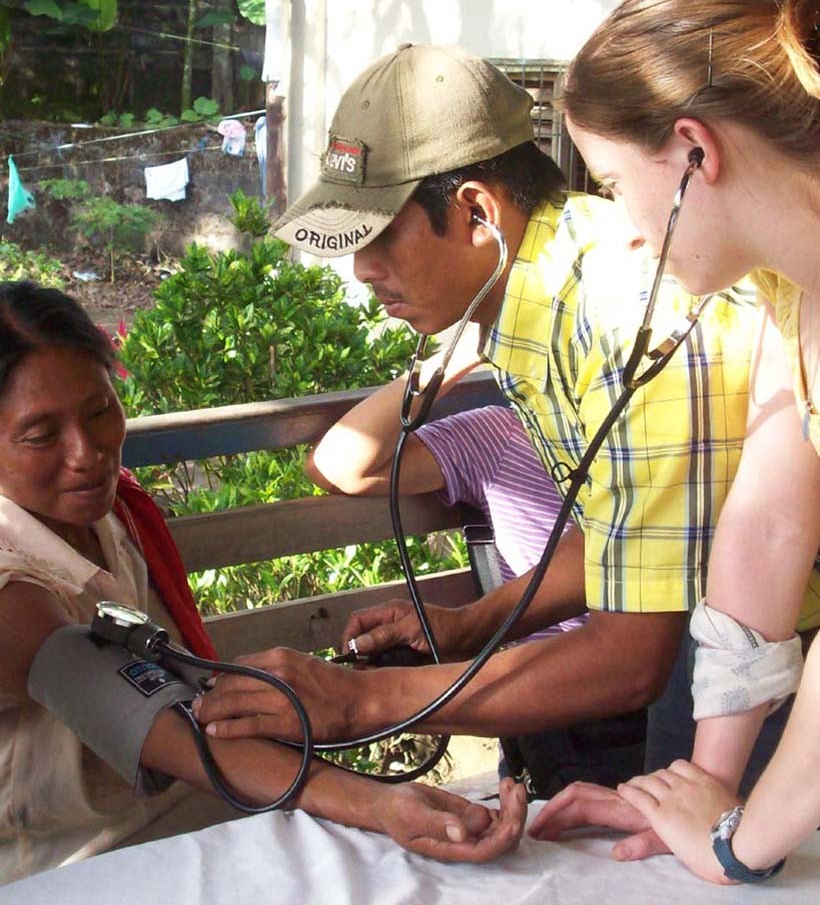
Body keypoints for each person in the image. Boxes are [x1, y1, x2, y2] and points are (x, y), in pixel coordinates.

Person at [193, 43, 764, 793]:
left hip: (761, 654)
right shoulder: (536, 308)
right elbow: (630, 531)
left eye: (379, 235)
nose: (362, 271)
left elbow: (632, 656)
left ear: (475, 211)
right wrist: (477, 623)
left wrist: (360, 702)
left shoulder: (618, 309)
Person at [0, 279, 526, 886]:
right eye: (41, 436)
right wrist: (376, 802)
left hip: (216, 821)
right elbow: (151, 718)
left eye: (99, 411)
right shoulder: (13, 586)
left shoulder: (112, 517)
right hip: (87, 867)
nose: (87, 453)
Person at [526, 0, 820, 884]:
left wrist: (740, 841)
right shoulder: (789, 288)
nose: (624, 229)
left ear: (695, 151)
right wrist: (696, 791)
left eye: (613, 182)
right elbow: (769, 524)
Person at [306, 326, 648, 798]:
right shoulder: (503, 435)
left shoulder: (653, 435)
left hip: (657, 676)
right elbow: (338, 464)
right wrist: (465, 346)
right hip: (557, 698)